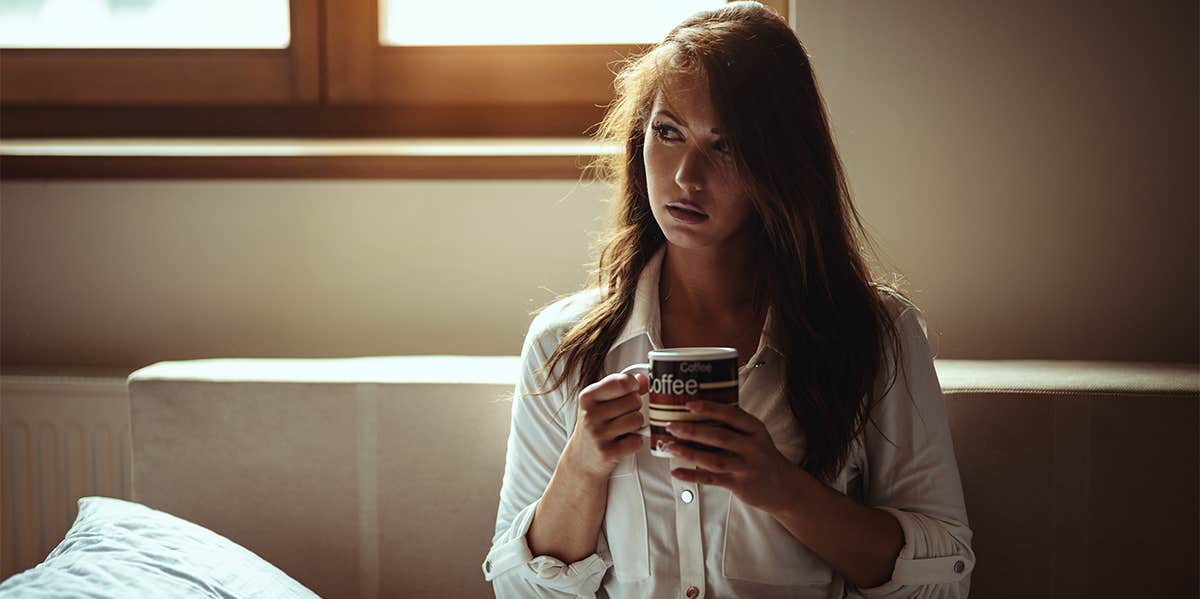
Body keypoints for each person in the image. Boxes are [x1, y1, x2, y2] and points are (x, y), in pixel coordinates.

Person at [483, 2, 974, 597]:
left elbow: (944, 580)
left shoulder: (876, 335)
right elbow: (517, 592)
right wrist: (582, 468)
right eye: (668, 133)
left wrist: (782, 487)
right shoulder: (566, 345)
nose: (687, 175)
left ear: (782, 165)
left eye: (727, 146)